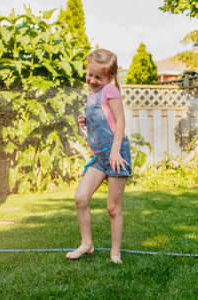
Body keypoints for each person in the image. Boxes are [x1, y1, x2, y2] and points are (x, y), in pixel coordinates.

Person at [66, 49, 132, 264]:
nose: (92, 80)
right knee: (80, 198)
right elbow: (104, 119)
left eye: (98, 77)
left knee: (113, 208)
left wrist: (114, 151)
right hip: (99, 157)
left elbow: (120, 122)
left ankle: (115, 253)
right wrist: (86, 121)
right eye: (90, 74)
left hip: (116, 154)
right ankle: (87, 244)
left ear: (110, 77)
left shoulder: (110, 90)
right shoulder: (92, 95)